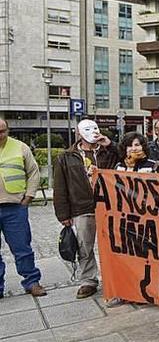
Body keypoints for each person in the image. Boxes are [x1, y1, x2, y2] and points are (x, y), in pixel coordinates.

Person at [53, 119, 113, 298]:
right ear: (78, 133)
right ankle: (88, 280)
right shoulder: (66, 157)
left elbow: (122, 157)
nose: (93, 132)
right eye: (87, 129)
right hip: (82, 207)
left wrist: (109, 145)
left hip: (107, 205)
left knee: (111, 245)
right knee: (84, 246)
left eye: (95, 128)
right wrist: (63, 213)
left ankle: (114, 277)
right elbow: (60, 186)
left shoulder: (106, 152)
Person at [0, 118, 46, 298]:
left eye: (3, 131)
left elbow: (33, 172)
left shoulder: (20, 147)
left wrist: (29, 196)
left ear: (8, 130)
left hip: (15, 207)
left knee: (22, 248)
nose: (0, 135)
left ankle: (31, 281)